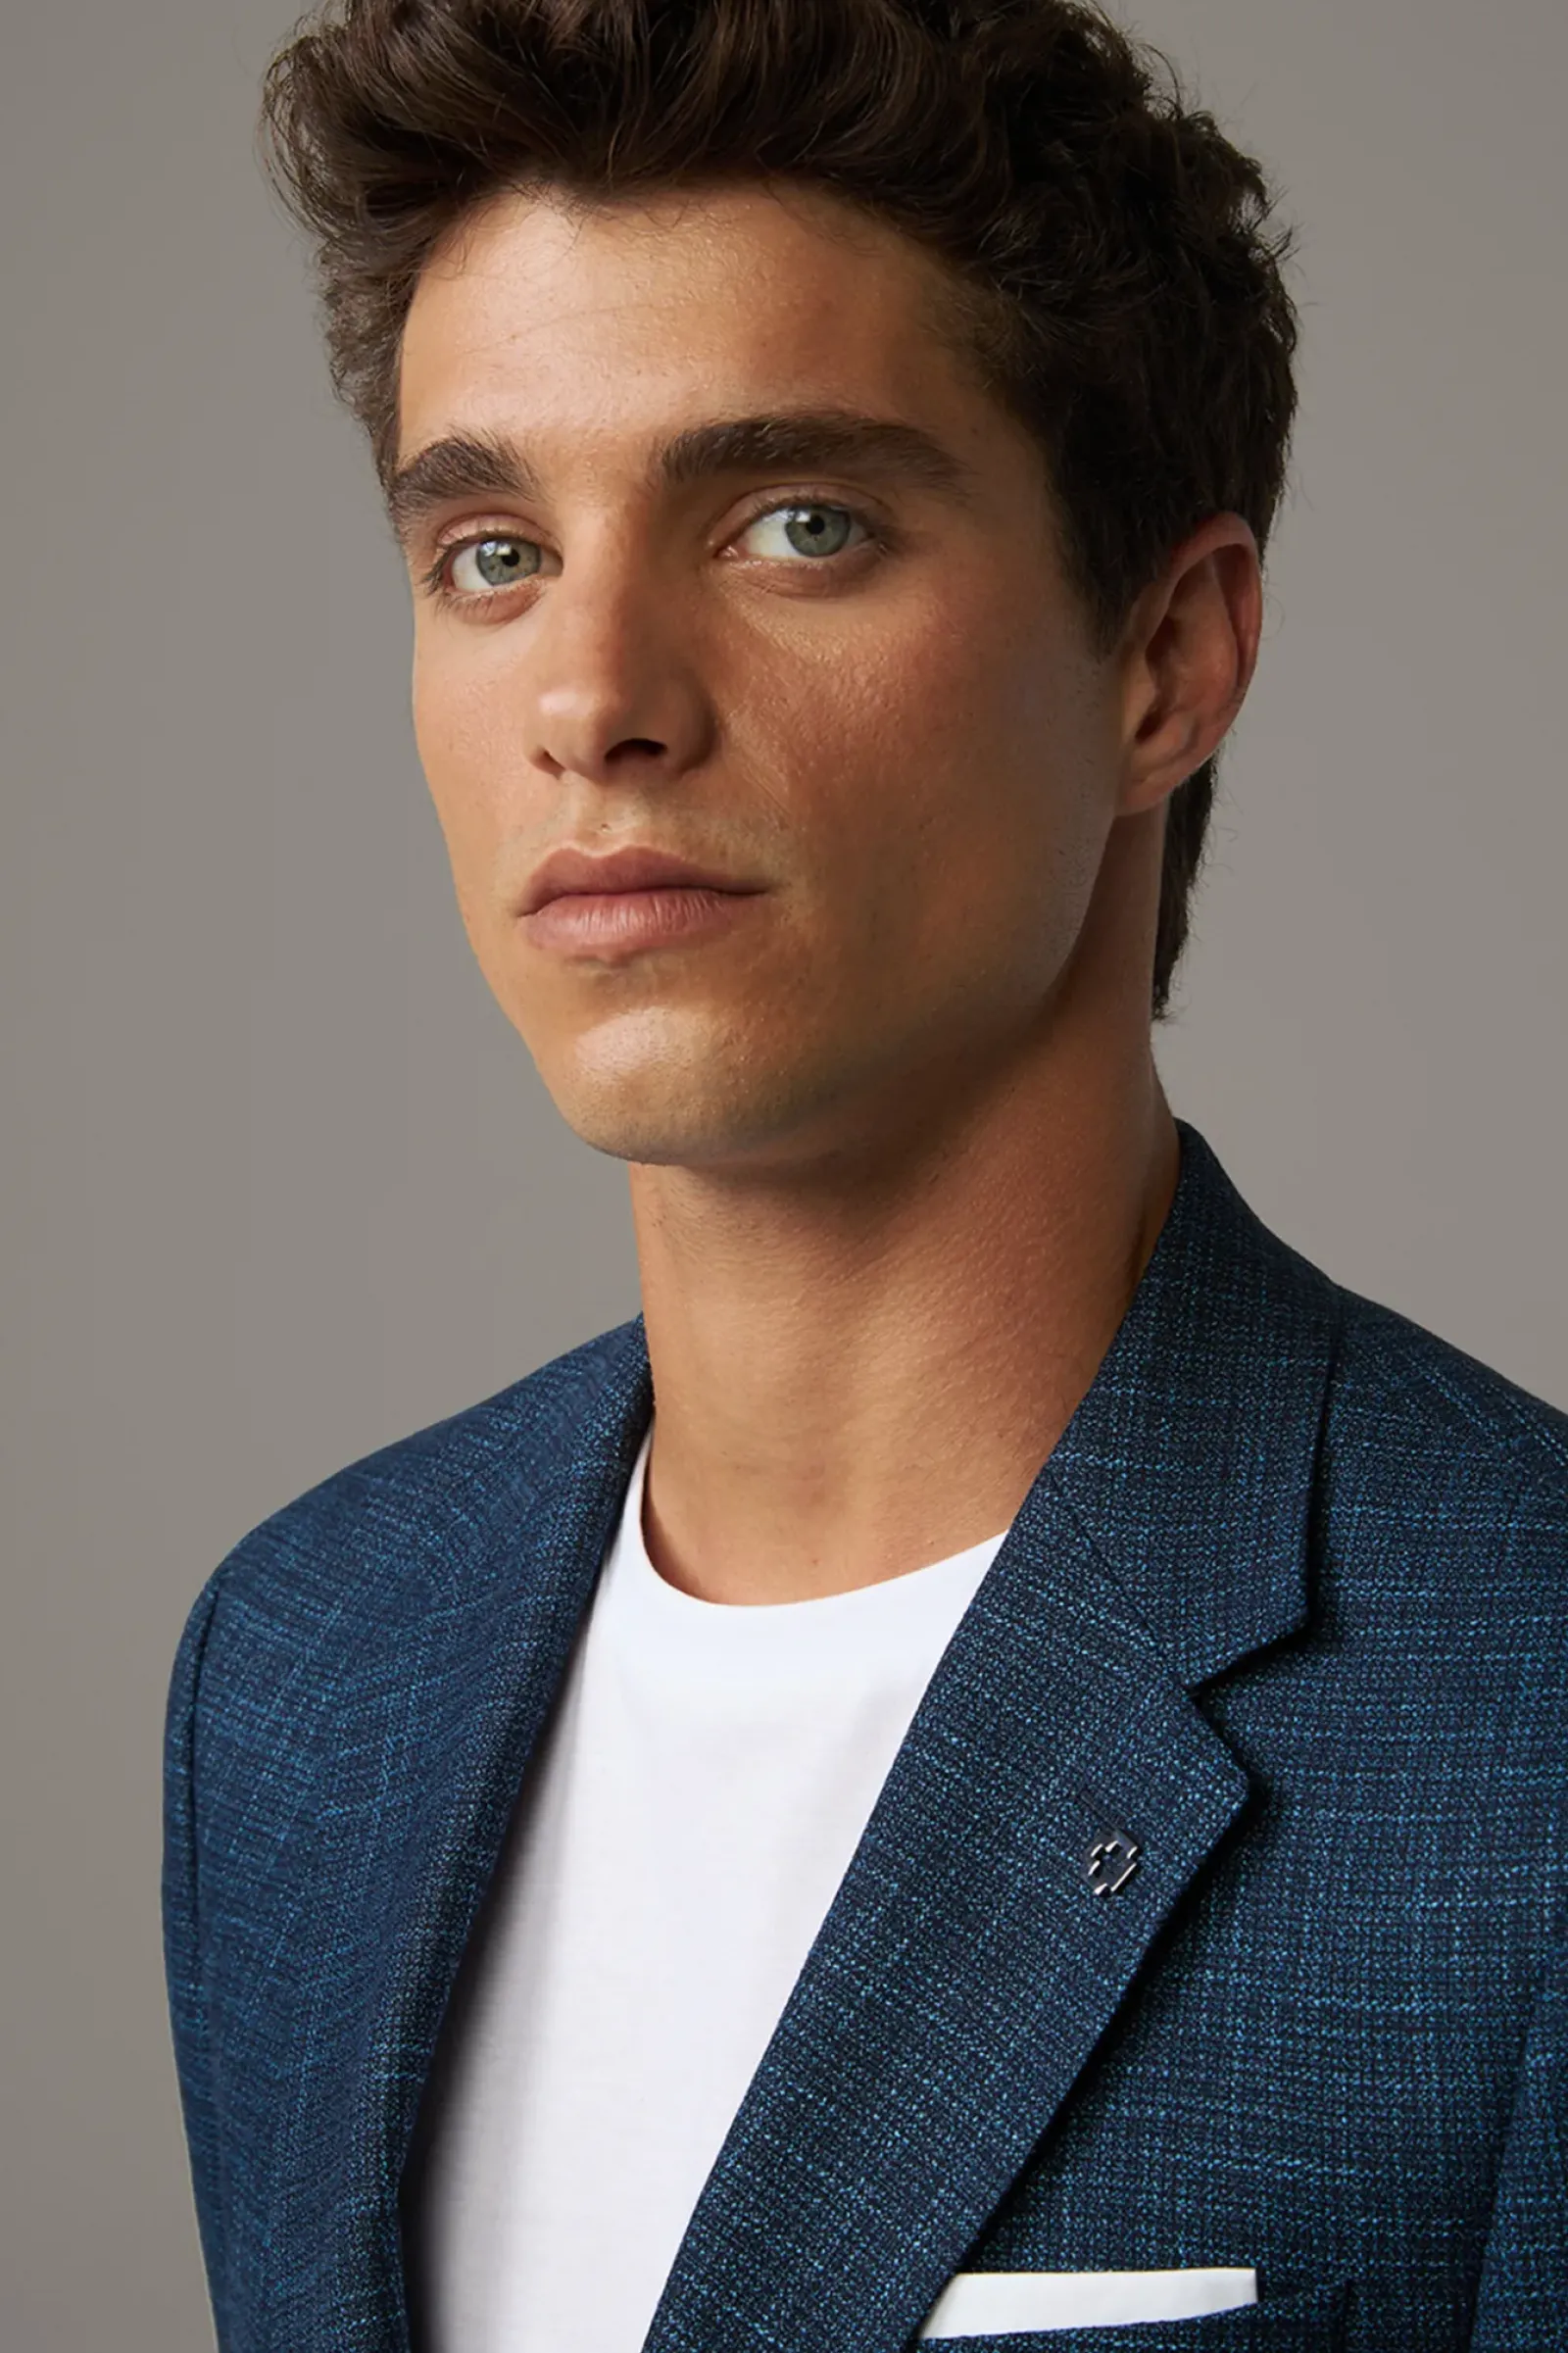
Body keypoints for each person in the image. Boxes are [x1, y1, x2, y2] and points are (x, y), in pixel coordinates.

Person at [161, 1, 1567, 2347]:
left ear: (1162, 660)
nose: (590, 697)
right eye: (492, 550)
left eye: (794, 525)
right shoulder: (305, 1671)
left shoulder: (1521, 1718)